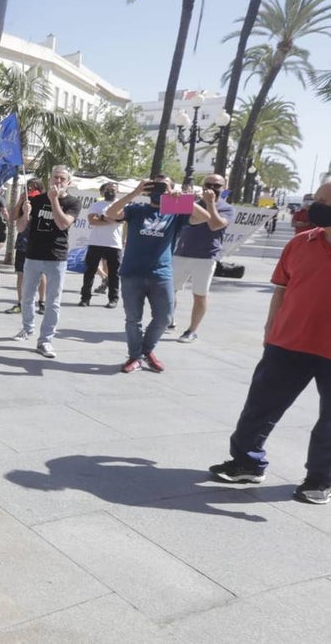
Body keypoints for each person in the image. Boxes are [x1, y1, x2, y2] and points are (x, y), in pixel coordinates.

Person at [207, 180, 331, 504]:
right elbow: (281, 287)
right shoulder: (301, 243)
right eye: (316, 199)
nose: (314, 207)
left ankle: (320, 478)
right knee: (259, 409)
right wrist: (270, 326)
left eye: (324, 202)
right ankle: (246, 462)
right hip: (287, 343)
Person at [105, 175, 211, 373]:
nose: (160, 190)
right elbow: (111, 213)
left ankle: (146, 350)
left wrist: (180, 199)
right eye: (156, 186)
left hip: (161, 274)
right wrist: (135, 193)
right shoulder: (137, 210)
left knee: (164, 317)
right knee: (133, 319)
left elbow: (205, 218)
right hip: (132, 272)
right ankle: (135, 356)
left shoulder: (175, 212)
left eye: (165, 187)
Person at [13, 166, 81, 358]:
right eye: (55, 178)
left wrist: (54, 201)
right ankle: (27, 328)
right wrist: (25, 212)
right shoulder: (37, 199)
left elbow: (63, 223)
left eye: (62, 179)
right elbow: (20, 227)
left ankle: (45, 340)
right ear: (50, 179)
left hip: (56, 258)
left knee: (53, 302)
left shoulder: (72, 202)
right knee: (27, 297)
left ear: (69, 182)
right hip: (33, 255)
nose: (58, 182)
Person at [171, 174, 234, 343]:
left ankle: (192, 330)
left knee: (199, 295)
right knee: (169, 290)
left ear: (223, 188)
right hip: (181, 253)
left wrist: (211, 203)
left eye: (217, 185)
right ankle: (168, 320)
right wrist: (176, 197)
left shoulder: (227, 208)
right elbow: (168, 213)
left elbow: (215, 225)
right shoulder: (192, 203)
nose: (212, 188)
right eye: (208, 184)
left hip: (206, 256)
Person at [4, 178, 46, 315]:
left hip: (39, 243)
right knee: (21, 273)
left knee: (41, 274)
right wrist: (20, 201)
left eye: (32, 187)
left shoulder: (42, 201)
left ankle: (42, 302)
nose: (29, 190)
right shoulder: (25, 201)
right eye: (27, 187)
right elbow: (12, 217)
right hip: (23, 242)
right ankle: (20, 303)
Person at [79, 182, 123, 309]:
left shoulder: (120, 204)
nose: (110, 192)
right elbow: (92, 220)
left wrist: (103, 218)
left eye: (113, 190)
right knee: (90, 271)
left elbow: (120, 221)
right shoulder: (97, 204)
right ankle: (85, 298)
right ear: (104, 191)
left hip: (114, 243)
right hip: (96, 242)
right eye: (108, 189)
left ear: (117, 191)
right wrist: (111, 220)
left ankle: (113, 299)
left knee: (114, 273)